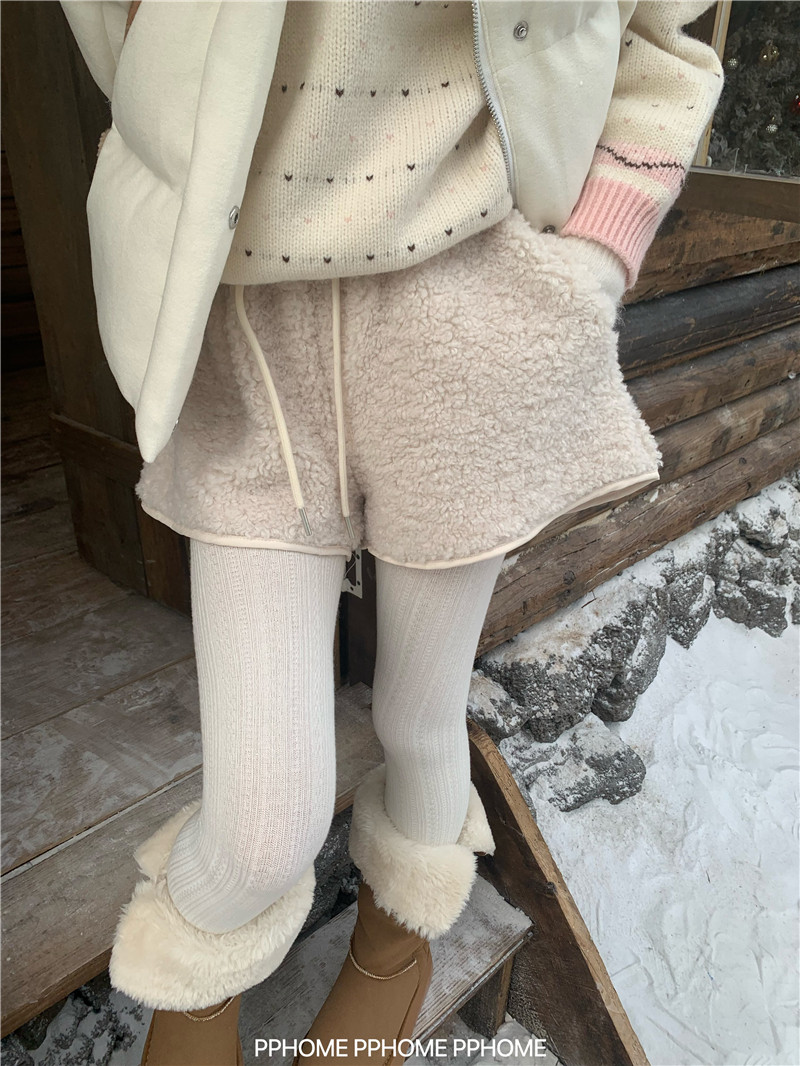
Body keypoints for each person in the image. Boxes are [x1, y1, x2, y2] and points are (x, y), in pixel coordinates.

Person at [59, 2, 724, 1063]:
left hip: (466, 310)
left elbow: (663, 42)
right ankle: (196, 987)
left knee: (419, 720)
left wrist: (599, 251)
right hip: (242, 334)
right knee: (262, 825)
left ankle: (391, 945)